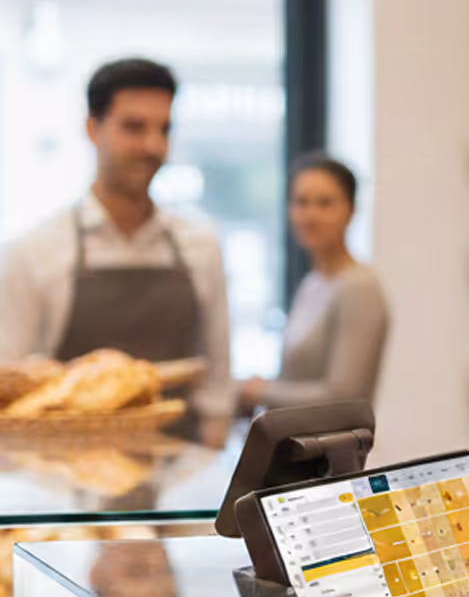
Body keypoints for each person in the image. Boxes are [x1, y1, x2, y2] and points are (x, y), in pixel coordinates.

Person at [0, 57, 232, 445]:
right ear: (92, 128)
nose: (153, 146)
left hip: (177, 487)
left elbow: (216, 388)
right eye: (134, 127)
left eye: (164, 129)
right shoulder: (34, 252)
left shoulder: (201, 247)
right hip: (59, 484)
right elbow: (10, 395)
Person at [239, 153, 389, 412]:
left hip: (331, 449)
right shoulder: (312, 283)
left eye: (325, 203)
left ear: (351, 209)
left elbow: (344, 395)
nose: (310, 216)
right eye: (301, 202)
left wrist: (263, 391)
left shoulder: (359, 287)